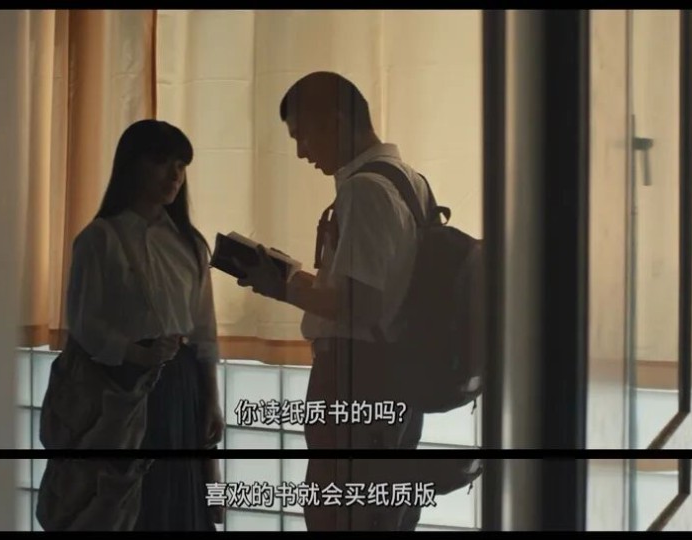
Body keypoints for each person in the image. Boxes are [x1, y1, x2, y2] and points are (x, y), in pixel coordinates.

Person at [235, 71, 432, 531]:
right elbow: (382, 291)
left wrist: (281, 286)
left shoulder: (364, 190)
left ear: (337, 121)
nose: (302, 152)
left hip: (354, 373)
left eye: (303, 136)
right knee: (382, 509)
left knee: (338, 512)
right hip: (399, 373)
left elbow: (359, 305)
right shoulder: (411, 182)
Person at [65, 119, 224, 531]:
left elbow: (203, 331)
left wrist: (211, 399)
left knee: (182, 496)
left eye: (181, 165)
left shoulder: (190, 243)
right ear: (132, 165)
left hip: (181, 382)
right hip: (118, 386)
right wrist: (135, 353)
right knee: (125, 501)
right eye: (161, 162)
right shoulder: (99, 238)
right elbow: (83, 322)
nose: (174, 175)